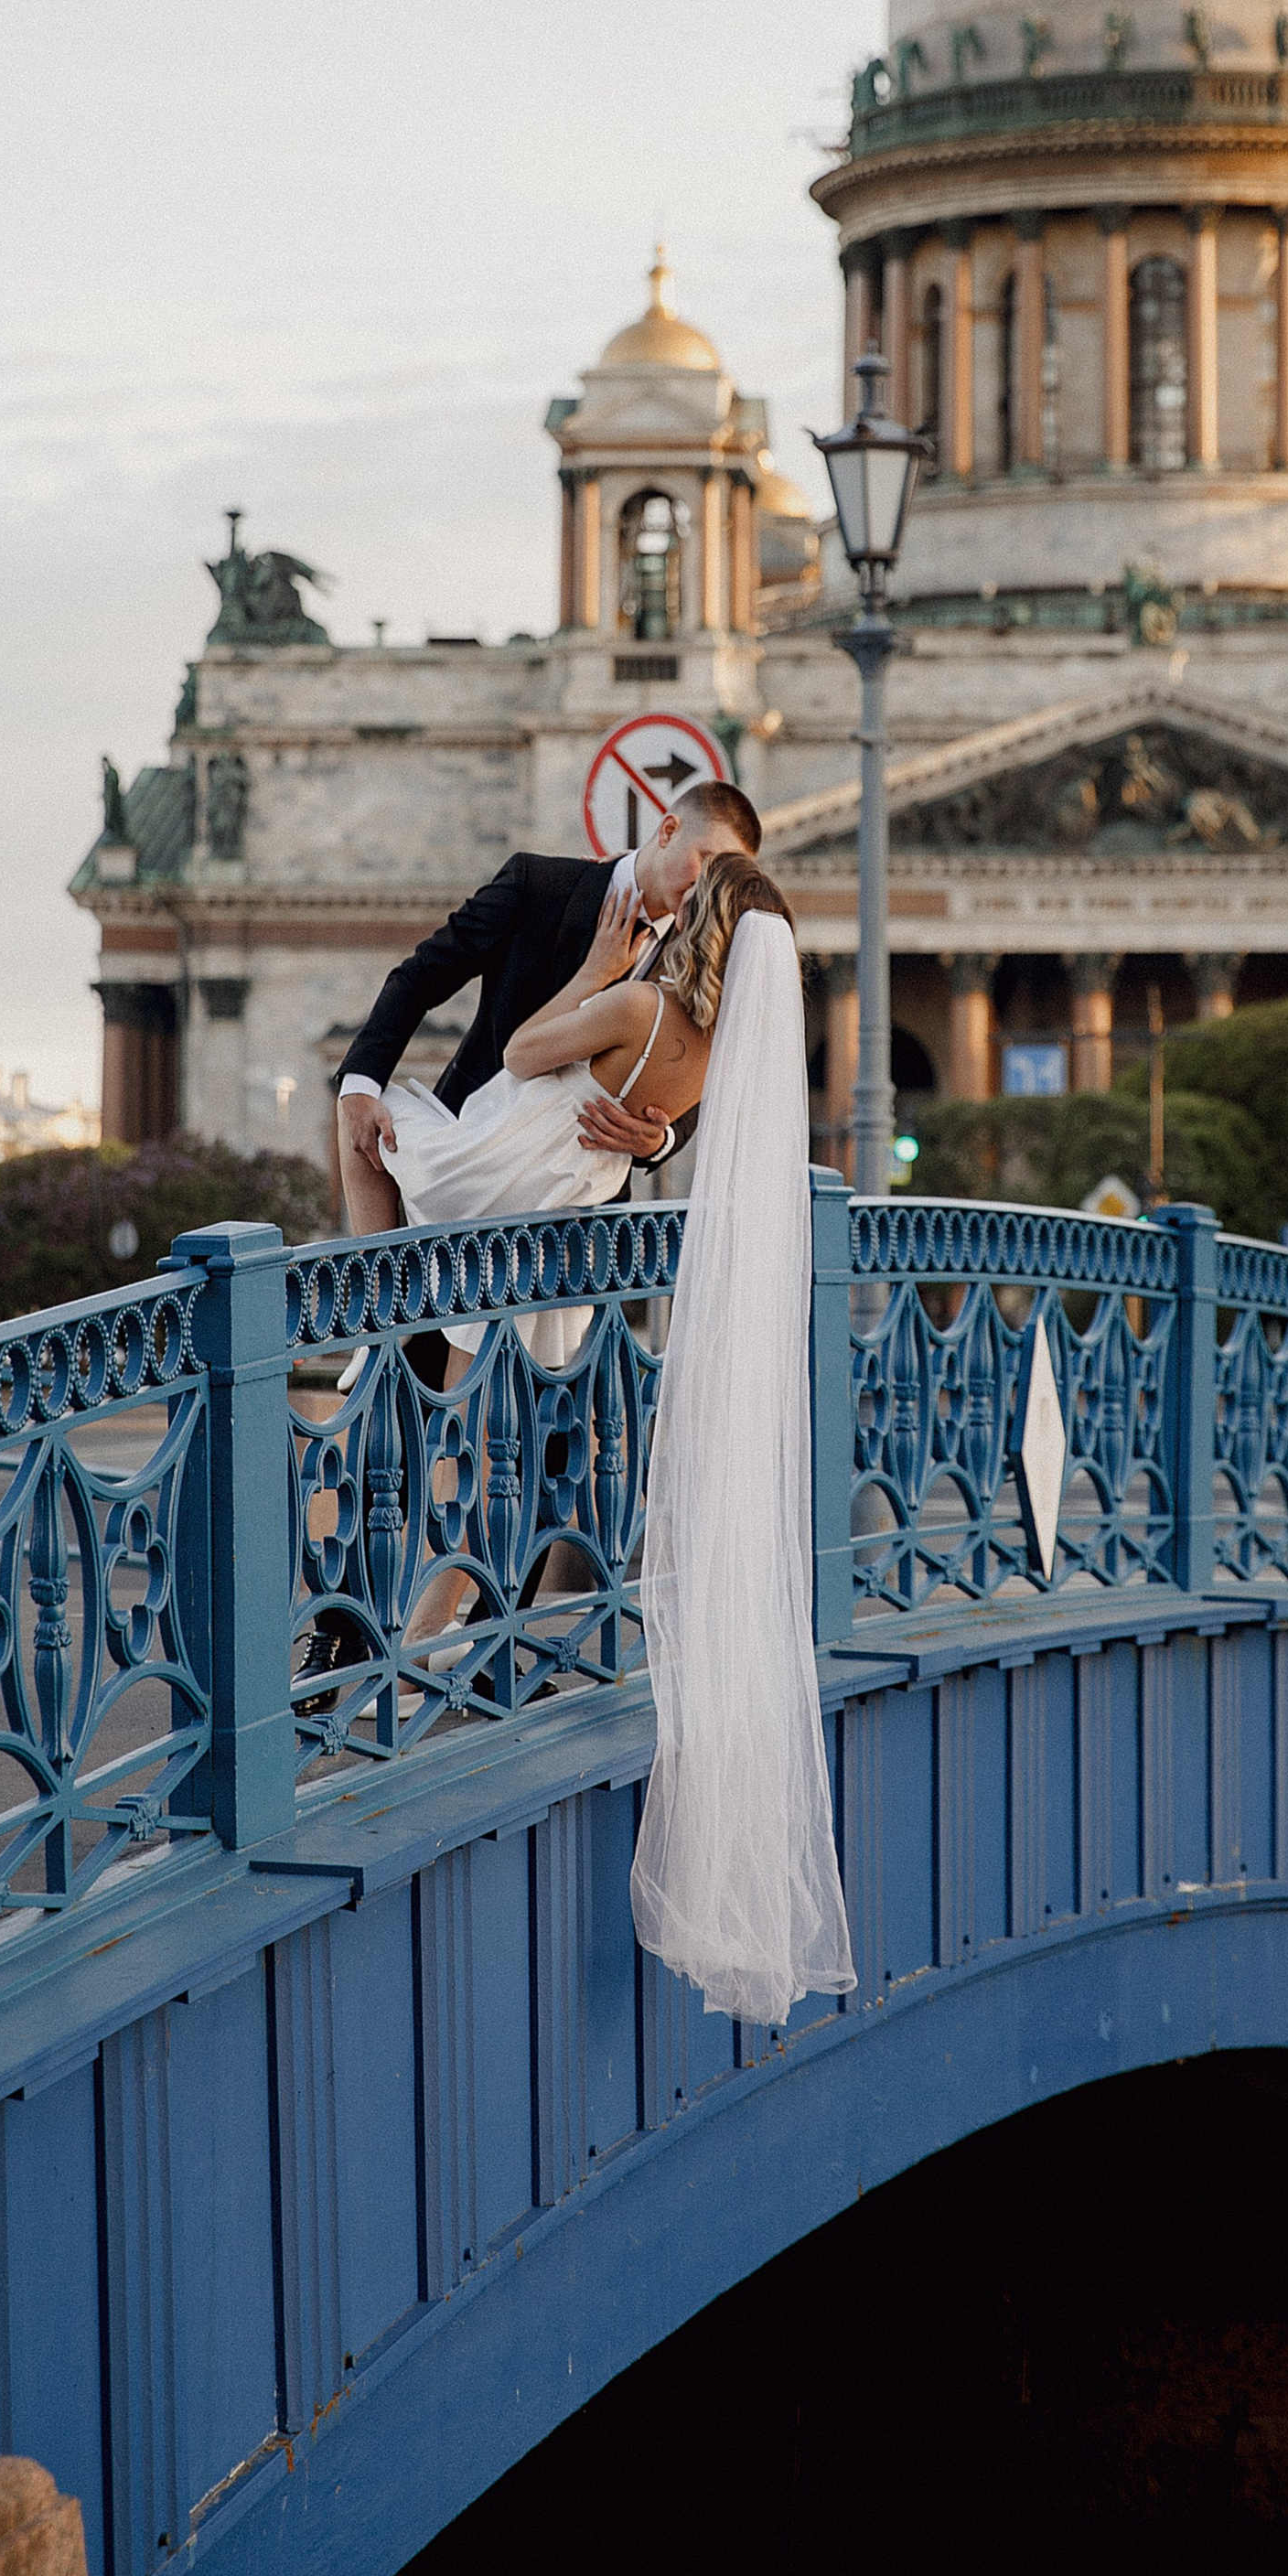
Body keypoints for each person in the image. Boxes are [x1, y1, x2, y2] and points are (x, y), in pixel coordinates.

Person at [402, 843, 856, 2027]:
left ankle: (401, 1644)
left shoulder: (640, 998)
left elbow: (520, 1053)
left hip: (497, 1197)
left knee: (386, 1152)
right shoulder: (717, 1057)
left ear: (698, 924)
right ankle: (495, 1634)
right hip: (575, 1243)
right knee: (529, 1452)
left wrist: (598, 967)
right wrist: (652, 1142)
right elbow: (661, 1130)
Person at [329, 778, 764, 1237]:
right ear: (668, 830)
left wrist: (662, 1139)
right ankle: (374, 1295)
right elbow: (421, 976)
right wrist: (360, 1082)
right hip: (477, 1142)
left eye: (723, 873)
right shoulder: (538, 886)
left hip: (580, 1201)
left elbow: (709, 1062)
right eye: (706, 860)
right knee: (362, 1112)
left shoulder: (704, 951)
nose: (708, 884)